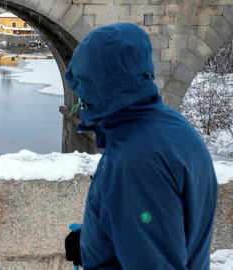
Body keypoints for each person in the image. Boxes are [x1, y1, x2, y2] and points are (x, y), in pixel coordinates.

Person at [63, 22, 218, 269]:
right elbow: (159, 232)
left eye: (81, 82)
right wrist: (94, 241)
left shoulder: (137, 160)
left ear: (95, 83)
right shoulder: (169, 126)